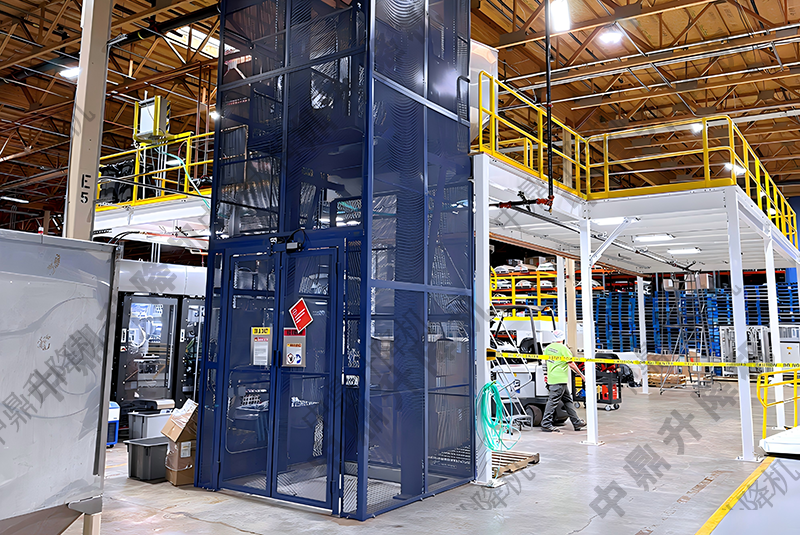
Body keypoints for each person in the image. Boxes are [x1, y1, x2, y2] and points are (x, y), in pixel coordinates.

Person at [541, 329, 587, 433]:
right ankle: (546, 424)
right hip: (559, 379)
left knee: (568, 401)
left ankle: (576, 422)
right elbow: (571, 364)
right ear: (562, 338)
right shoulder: (563, 348)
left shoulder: (548, 348)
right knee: (552, 402)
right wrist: (581, 375)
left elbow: (544, 362)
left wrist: (545, 374)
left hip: (553, 378)